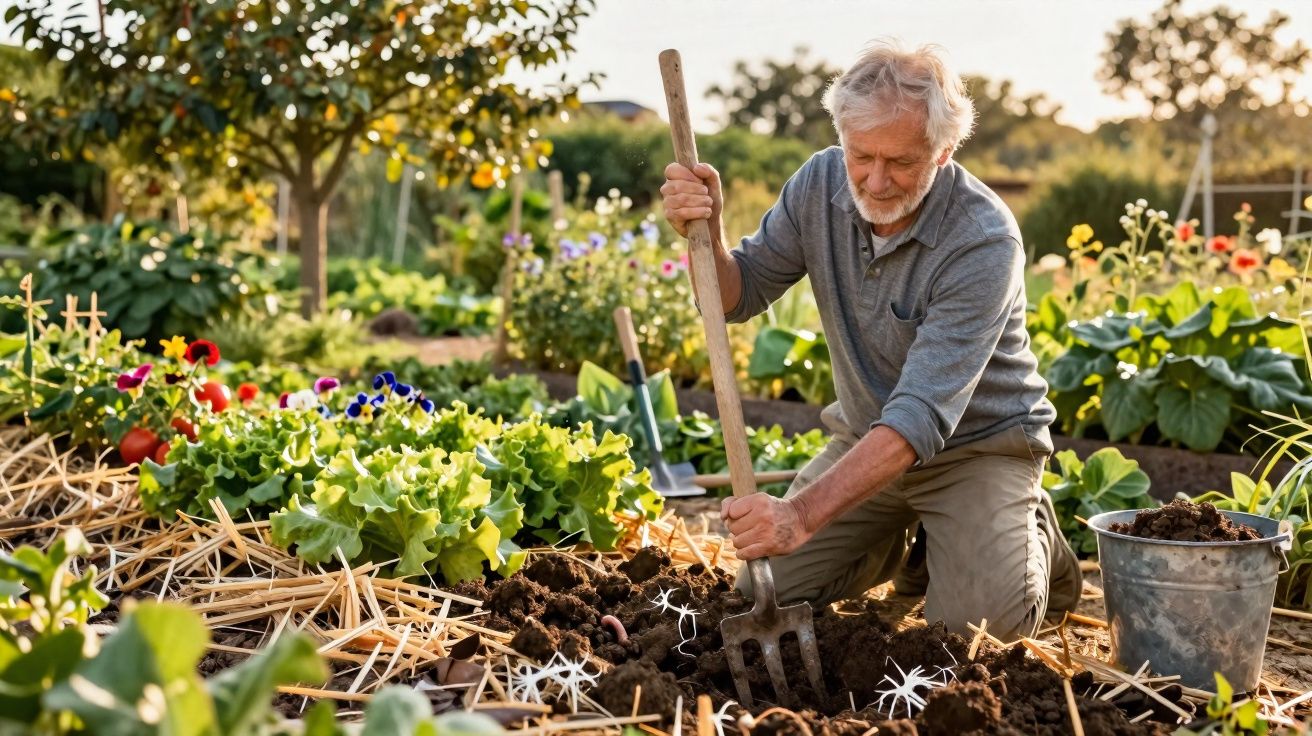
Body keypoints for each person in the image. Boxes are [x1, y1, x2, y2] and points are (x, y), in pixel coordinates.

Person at [659, 40, 1081, 641]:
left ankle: (1031, 532)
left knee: (977, 633)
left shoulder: (982, 239)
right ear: (842, 138)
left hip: (977, 450)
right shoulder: (818, 184)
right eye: (861, 155)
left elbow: (919, 416)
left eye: (901, 162)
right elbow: (737, 296)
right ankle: (909, 539)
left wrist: (800, 515)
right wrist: (708, 231)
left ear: (943, 152)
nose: (877, 181)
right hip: (866, 440)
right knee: (762, 585)